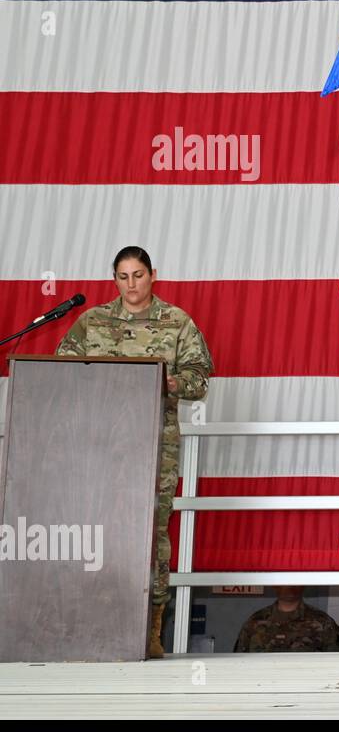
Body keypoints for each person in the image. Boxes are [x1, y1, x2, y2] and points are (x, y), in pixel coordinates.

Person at [56, 246, 213, 659]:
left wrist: (167, 382)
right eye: (123, 277)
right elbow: (61, 369)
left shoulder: (176, 322)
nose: (131, 285)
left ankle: (150, 626)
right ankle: (92, 618)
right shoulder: (92, 322)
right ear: (114, 279)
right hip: (97, 446)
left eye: (138, 275)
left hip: (154, 446)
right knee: (93, 530)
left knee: (151, 533)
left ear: (152, 275)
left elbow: (199, 378)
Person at [233, 587, 339, 652]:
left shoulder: (323, 623)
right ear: (274, 585)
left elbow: (336, 667)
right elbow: (238, 664)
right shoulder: (255, 623)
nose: (288, 585)